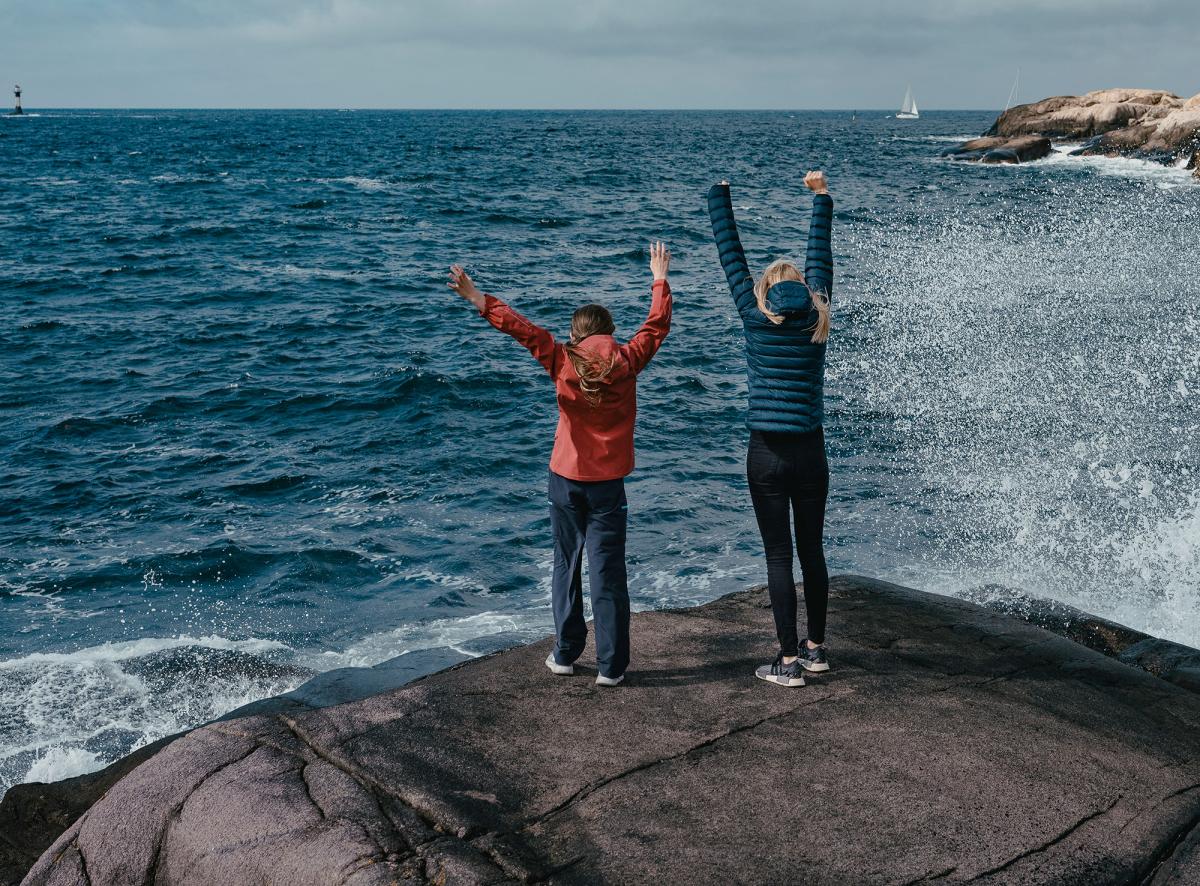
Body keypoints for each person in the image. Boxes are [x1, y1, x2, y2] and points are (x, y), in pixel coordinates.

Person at [447, 244, 672, 686]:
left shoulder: (562, 358)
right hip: (608, 485)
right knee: (607, 572)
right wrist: (659, 279)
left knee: (565, 563)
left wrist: (478, 298)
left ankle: (566, 654)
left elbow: (523, 330)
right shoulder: (628, 359)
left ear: (576, 334)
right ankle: (611, 667)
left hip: (565, 479)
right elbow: (656, 325)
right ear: (609, 332)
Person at [706, 172, 834, 688]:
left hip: (766, 452)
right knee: (812, 551)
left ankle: (786, 662)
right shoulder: (819, 313)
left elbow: (730, 252)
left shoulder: (753, 313)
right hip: (811, 451)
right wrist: (821, 196)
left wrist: (720, 194)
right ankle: (815, 650)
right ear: (804, 287)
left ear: (764, 290)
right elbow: (820, 253)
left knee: (778, 555)